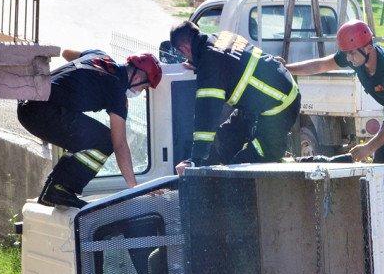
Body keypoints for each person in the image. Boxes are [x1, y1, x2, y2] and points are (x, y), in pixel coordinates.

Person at [286, 20, 384, 175]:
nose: (349, 58)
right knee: (381, 169)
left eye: (352, 53)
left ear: (369, 48)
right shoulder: (354, 55)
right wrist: (287, 69)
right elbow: (320, 66)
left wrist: (368, 147)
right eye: (346, 53)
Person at [18, 49, 161, 209]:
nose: (140, 92)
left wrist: (77, 85)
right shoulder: (116, 91)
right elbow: (119, 144)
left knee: (88, 138)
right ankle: (59, 190)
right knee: (105, 141)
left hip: (29, 102)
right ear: (137, 77)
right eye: (144, 87)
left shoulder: (100, 56)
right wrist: (135, 187)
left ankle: (55, 189)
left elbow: (67, 53)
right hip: (40, 111)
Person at [168, 22, 301, 173]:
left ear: (184, 49)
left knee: (242, 168)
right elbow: (228, 64)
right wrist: (198, 63)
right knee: (223, 141)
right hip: (263, 102)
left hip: (279, 109)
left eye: (183, 54)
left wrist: (195, 161)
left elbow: (207, 115)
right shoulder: (222, 37)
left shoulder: (210, 64)